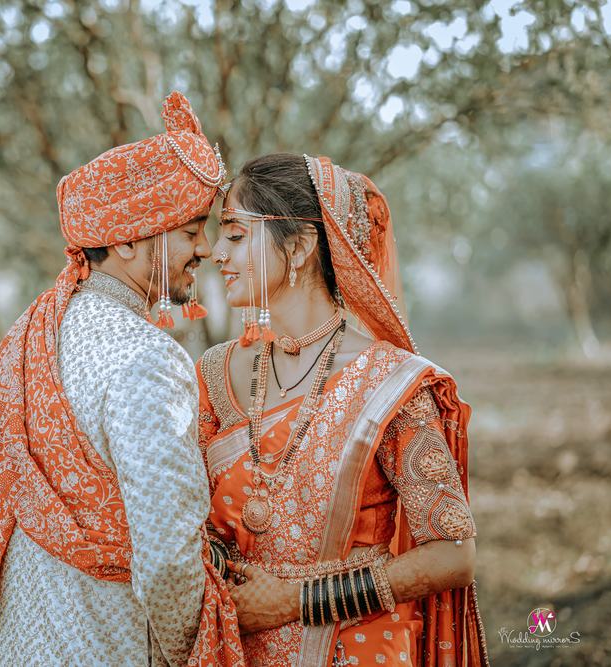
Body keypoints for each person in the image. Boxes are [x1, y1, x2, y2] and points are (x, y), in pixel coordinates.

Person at [0, 92, 243, 667]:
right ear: (125, 240)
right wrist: (192, 650)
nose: (208, 249)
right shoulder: (146, 358)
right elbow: (167, 557)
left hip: (25, 645)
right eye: (191, 230)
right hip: (107, 646)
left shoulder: (30, 338)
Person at [196, 153, 489, 666]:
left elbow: (454, 554)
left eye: (236, 235)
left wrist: (295, 602)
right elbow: (188, 517)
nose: (216, 251)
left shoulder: (388, 384)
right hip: (236, 646)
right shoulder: (218, 373)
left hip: (352, 648)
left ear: (301, 246)